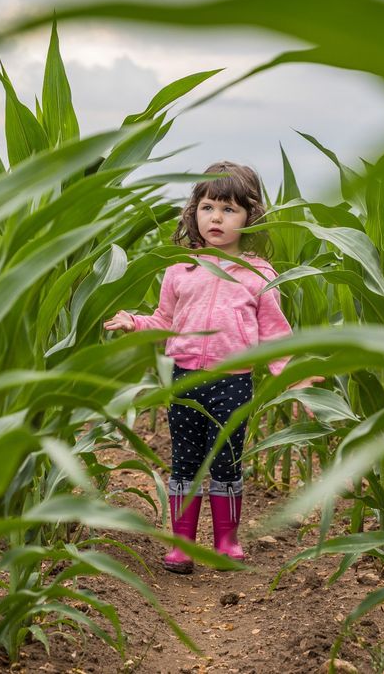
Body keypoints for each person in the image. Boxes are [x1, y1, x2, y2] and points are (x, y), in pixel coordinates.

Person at [103, 161, 317, 574]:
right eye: (208, 207)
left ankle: (226, 542)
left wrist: (295, 379)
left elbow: (276, 337)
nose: (216, 218)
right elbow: (164, 321)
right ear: (194, 212)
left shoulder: (258, 276)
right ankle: (182, 546)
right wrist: (136, 323)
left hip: (232, 384)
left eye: (229, 209)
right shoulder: (180, 268)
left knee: (226, 462)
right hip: (185, 379)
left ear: (250, 217)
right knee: (185, 461)